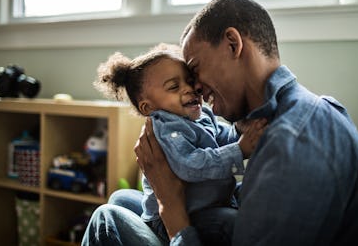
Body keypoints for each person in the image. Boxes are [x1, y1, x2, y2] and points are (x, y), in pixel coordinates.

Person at [134, 0, 358, 245]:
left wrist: (171, 209)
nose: (196, 87)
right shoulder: (304, 111)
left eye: (196, 69)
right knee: (124, 200)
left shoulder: (290, 144)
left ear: (233, 44)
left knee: (105, 218)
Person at [83, 43, 266, 245]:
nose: (190, 89)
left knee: (119, 200)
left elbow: (223, 138)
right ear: (148, 107)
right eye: (174, 87)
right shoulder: (168, 128)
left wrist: (241, 130)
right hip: (179, 217)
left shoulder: (201, 116)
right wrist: (240, 150)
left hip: (203, 206)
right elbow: (191, 165)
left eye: (190, 81)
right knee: (229, 222)